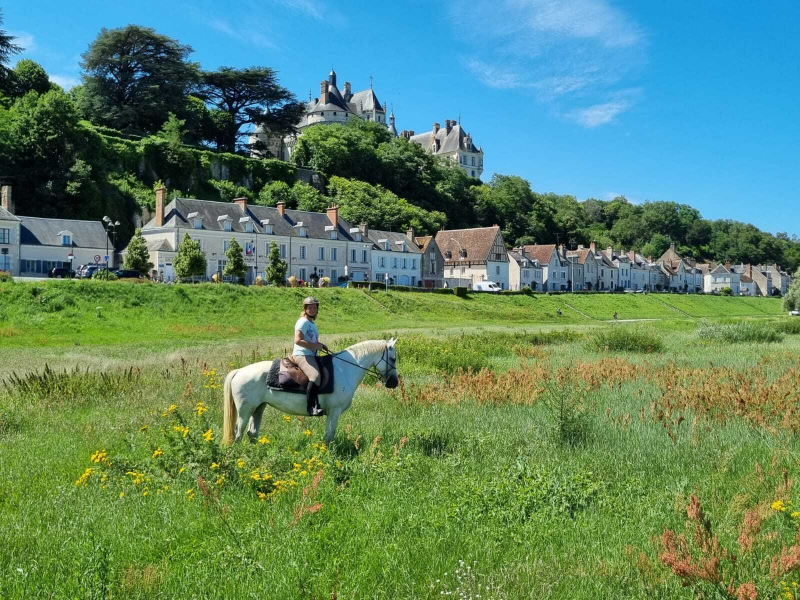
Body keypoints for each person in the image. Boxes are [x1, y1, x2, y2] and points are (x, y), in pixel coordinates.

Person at [293, 296, 328, 416]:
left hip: (310, 354)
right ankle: (310, 408)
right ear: (305, 309)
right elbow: (297, 340)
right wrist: (314, 346)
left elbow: (311, 340)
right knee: (315, 376)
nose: (312, 310)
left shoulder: (311, 323)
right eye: (310, 307)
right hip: (302, 354)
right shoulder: (303, 322)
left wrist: (321, 345)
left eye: (314, 307)